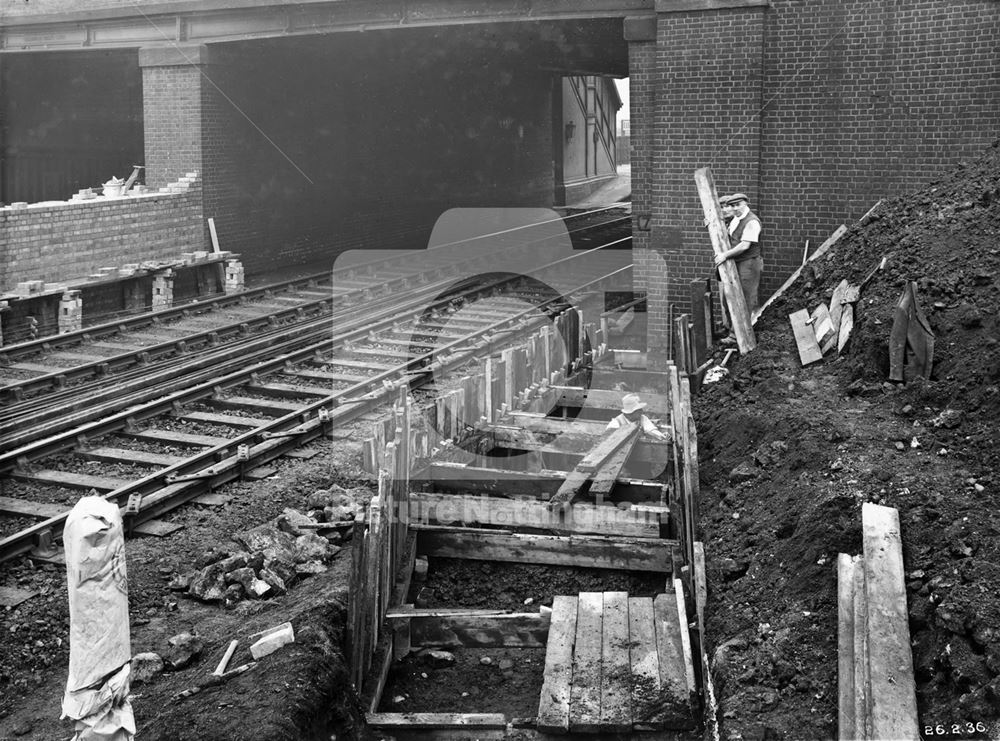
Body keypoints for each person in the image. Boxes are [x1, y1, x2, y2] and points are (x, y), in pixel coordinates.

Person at [714, 192, 763, 315]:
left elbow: (744, 246)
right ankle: (730, 329)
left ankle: (739, 333)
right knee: (729, 298)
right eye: (733, 205)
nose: (735, 208)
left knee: (745, 298)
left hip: (749, 263)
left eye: (738, 205)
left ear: (746, 203)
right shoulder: (735, 219)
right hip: (736, 261)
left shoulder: (752, 221)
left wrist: (724, 255)